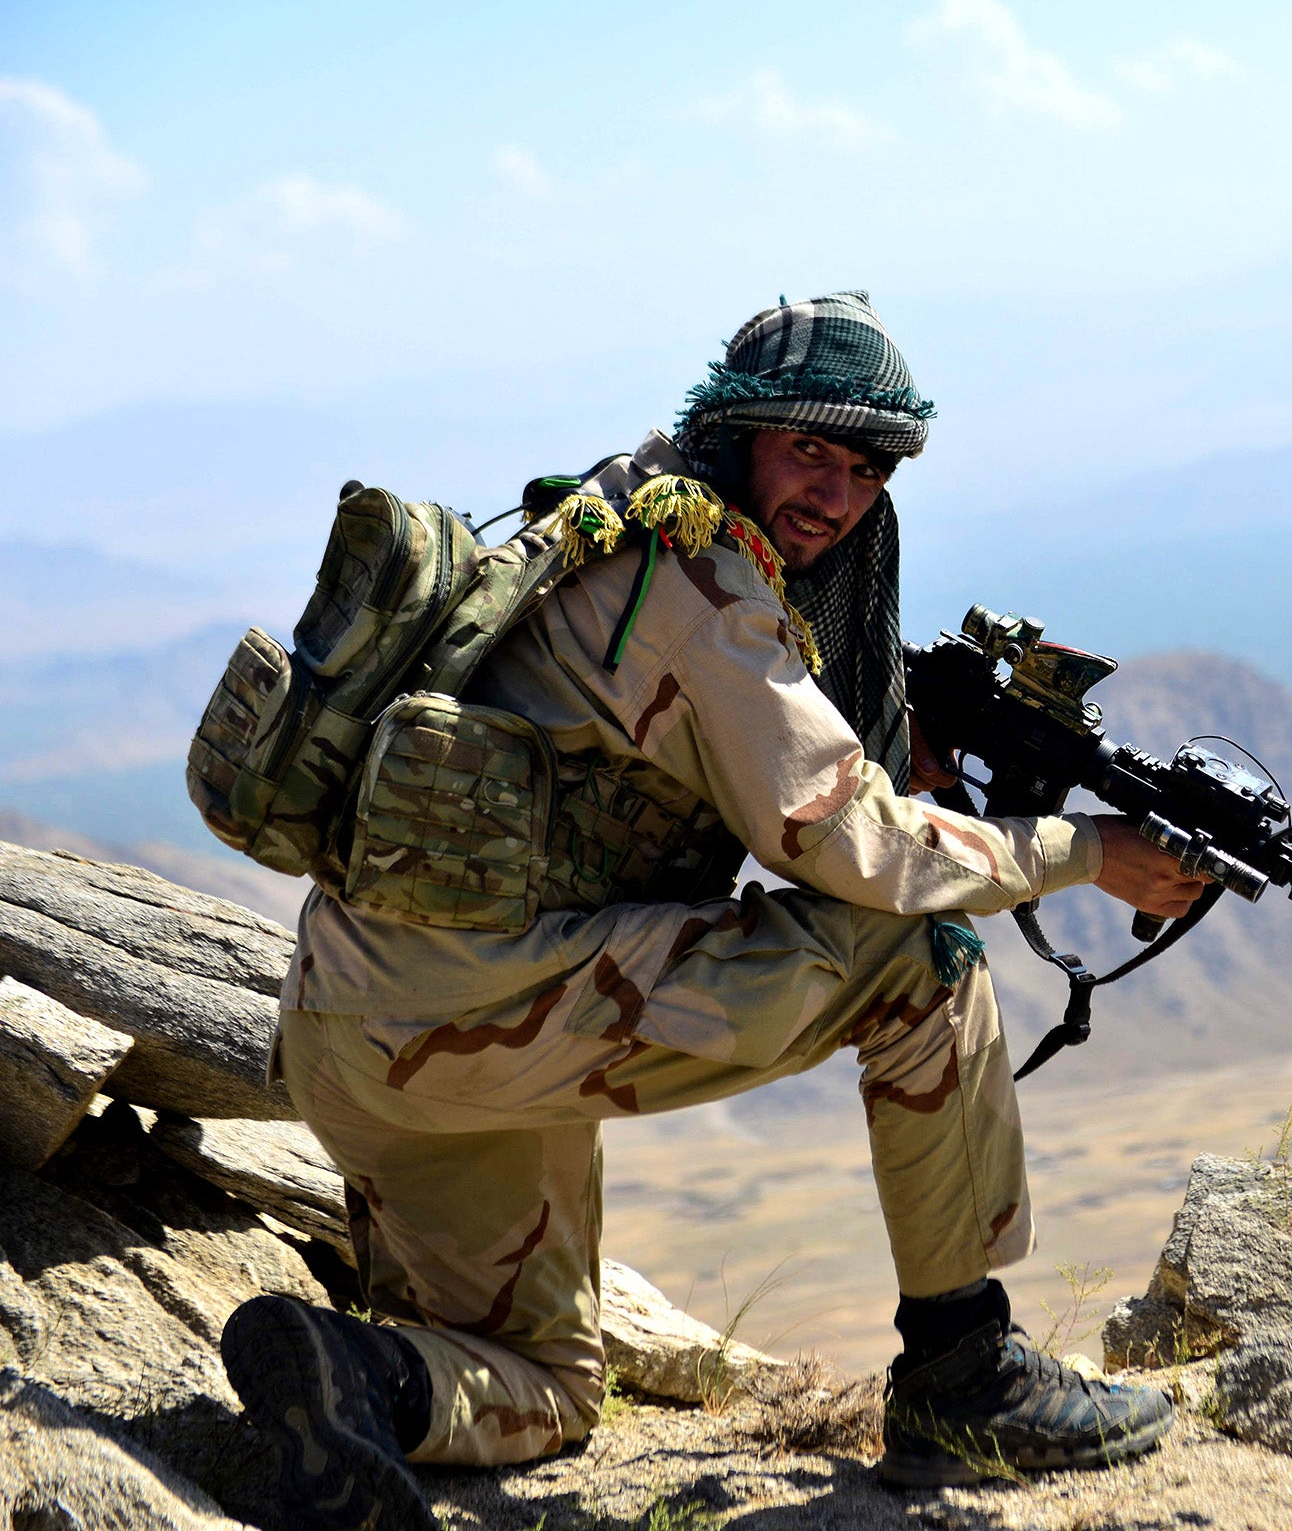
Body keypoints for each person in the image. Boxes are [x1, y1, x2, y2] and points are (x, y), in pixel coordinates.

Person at [219, 291, 1204, 1530]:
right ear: (740, 434)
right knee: (919, 953)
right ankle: (965, 1376)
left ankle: (357, 1376)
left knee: (551, 1389)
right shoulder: (694, 586)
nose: (836, 497)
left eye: (864, 468)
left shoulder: (612, 501)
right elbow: (847, 847)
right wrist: (1084, 852)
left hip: (361, 1030)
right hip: (483, 1015)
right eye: (808, 452)